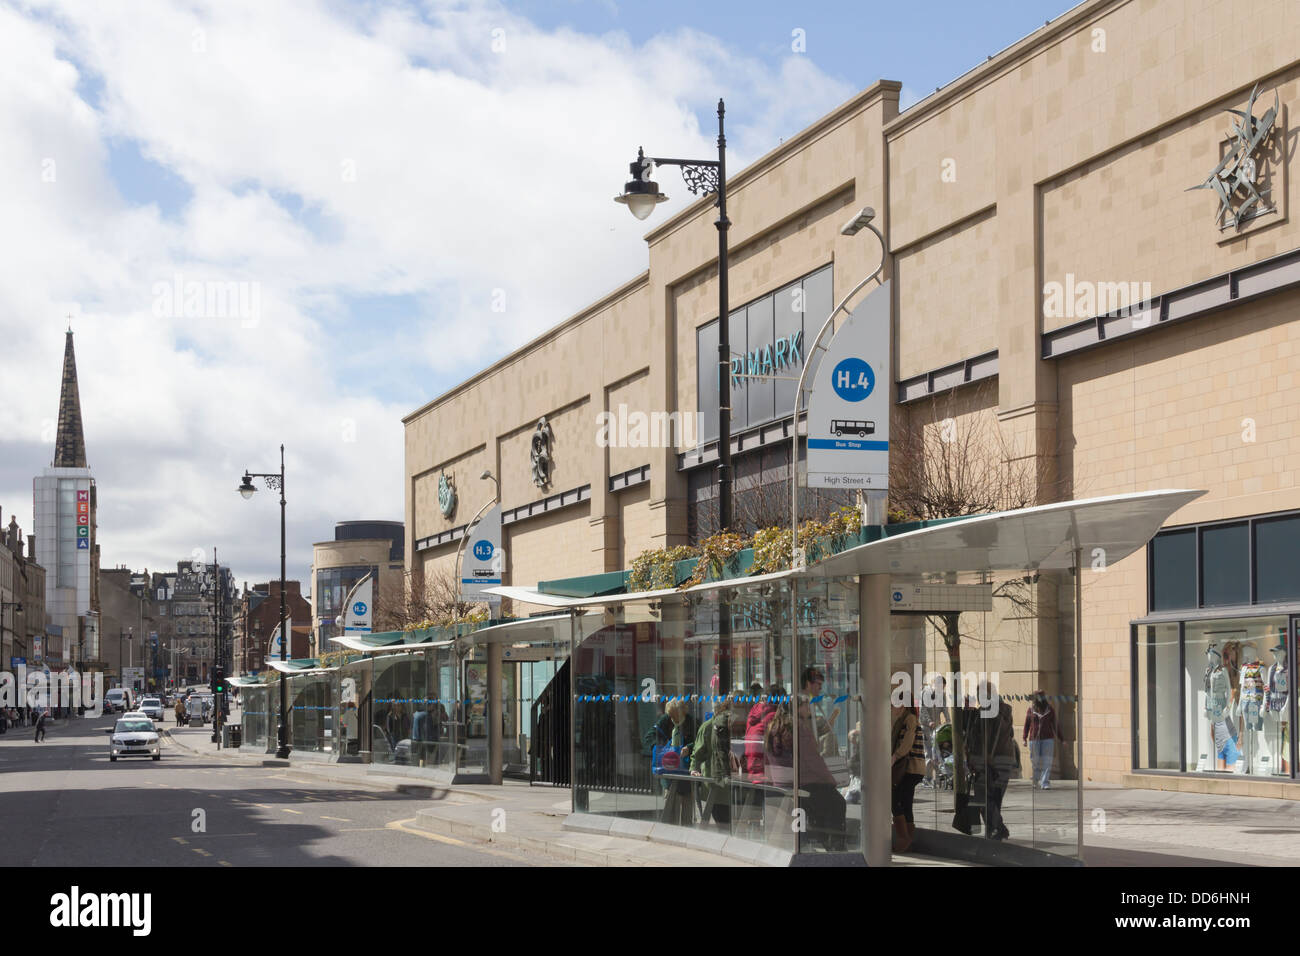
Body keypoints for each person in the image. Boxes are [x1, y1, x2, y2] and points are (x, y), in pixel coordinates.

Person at [690, 699, 739, 826]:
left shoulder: (708, 726)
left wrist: (694, 769)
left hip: (717, 783)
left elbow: (697, 753)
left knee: (723, 822)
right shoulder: (734, 725)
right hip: (731, 785)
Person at [890, 698, 927, 852]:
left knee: (893, 799)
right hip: (913, 769)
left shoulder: (909, 719)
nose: (892, 707)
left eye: (893, 704)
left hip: (910, 768)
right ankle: (907, 840)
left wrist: (895, 757)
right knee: (906, 803)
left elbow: (907, 742)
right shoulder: (906, 719)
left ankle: (903, 837)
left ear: (902, 704)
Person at [1023, 690, 1059, 789]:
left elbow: (1055, 725)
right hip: (1034, 739)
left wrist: (1062, 738)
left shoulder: (1049, 710)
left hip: (1047, 739)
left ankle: (1045, 783)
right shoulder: (1031, 710)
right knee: (1035, 761)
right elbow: (1026, 724)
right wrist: (1024, 738)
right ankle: (1035, 780)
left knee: (1047, 761)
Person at [919, 675, 950, 788]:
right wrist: (929, 721)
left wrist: (948, 722)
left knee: (937, 752)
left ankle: (937, 776)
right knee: (928, 752)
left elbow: (945, 709)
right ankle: (927, 777)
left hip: (937, 727)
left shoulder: (942, 695)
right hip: (927, 726)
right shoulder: (925, 692)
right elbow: (922, 709)